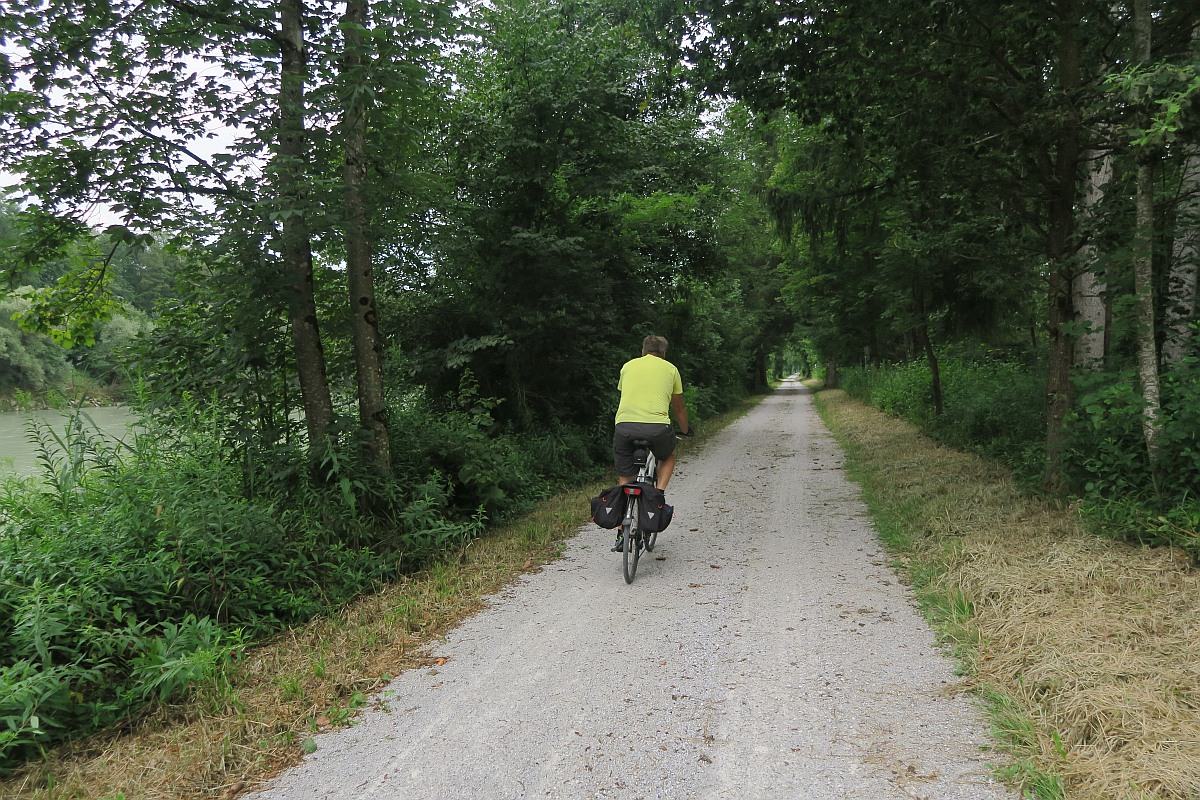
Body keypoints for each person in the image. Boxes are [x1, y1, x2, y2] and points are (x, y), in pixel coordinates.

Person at [610, 336, 690, 550]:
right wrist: (685, 430)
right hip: (657, 428)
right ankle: (658, 495)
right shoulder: (671, 369)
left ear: (643, 350)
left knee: (625, 480)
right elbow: (679, 407)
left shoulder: (627, 366)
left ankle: (620, 534)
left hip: (625, 427)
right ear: (664, 353)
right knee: (669, 455)